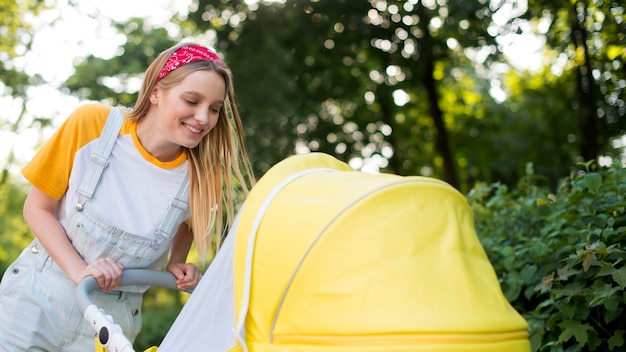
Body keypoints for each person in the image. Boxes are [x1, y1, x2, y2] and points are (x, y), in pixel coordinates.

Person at [0, 42, 255, 351]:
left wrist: (177, 262)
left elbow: (185, 223)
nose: (203, 117)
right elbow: (37, 208)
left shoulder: (200, 174)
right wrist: (81, 272)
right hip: (36, 299)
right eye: (191, 100)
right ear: (156, 92)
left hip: (114, 318)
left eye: (214, 109)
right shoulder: (92, 124)